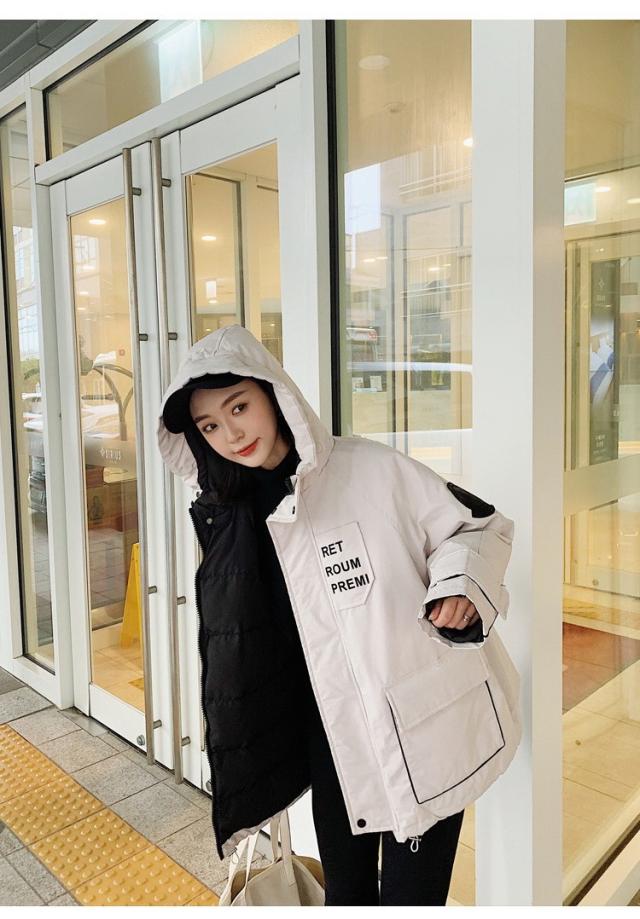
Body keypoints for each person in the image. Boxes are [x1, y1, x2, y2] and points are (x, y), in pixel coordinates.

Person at [157, 324, 521, 906]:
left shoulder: (368, 471)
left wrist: (460, 588)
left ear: (273, 393)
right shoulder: (229, 517)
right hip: (329, 740)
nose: (231, 434)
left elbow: (477, 526)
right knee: (346, 895)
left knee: (411, 902)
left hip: (416, 732)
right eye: (210, 426)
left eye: (239, 407)